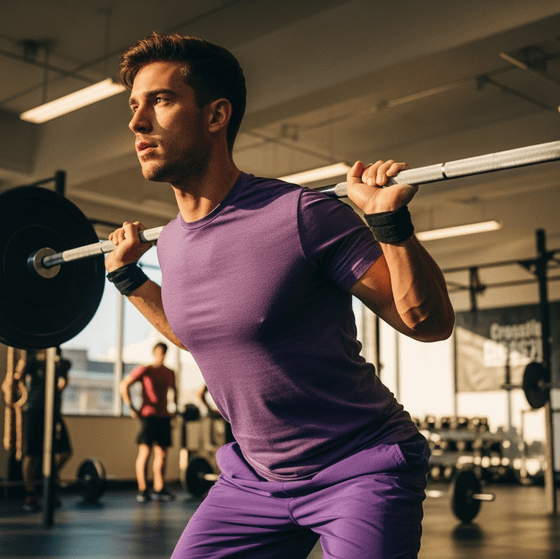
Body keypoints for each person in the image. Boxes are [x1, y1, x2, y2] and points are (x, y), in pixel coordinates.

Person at [105, 32, 453, 558]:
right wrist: (130, 280)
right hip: (255, 479)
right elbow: (201, 334)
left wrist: (390, 225)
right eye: (134, 105)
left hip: (359, 465)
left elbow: (428, 323)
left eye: (161, 100)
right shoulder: (170, 243)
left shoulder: (302, 214)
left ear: (216, 115)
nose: (137, 122)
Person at [15, 348, 73, 512]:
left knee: (65, 452)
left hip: (53, 412)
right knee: (31, 454)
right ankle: (30, 494)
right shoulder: (32, 362)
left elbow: (64, 381)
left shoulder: (59, 363)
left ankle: (46, 479)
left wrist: (61, 384)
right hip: (35, 410)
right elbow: (18, 378)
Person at [119, 341, 178, 502]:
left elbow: (174, 391)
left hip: (164, 417)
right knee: (145, 452)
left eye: (164, 352)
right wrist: (131, 407)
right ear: (154, 353)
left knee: (162, 454)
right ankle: (143, 490)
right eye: (159, 352)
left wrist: (174, 409)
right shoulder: (146, 369)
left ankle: (159, 489)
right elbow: (124, 385)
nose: (161, 355)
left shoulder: (169, 372)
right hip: (148, 417)